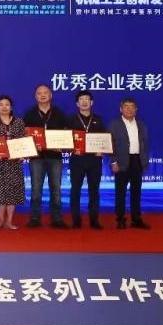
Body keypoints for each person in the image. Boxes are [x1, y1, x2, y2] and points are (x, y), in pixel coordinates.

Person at [22, 84, 70, 229]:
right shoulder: (29, 114)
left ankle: (57, 219)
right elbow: (25, 134)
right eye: (39, 93)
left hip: (55, 157)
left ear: (50, 95)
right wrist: (31, 145)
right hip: (36, 158)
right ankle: (35, 218)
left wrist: (62, 145)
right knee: (36, 189)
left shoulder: (59, 113)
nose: (42, 95)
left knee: (56, 189)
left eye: (45, 93)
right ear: (35, 96)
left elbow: (66, 134)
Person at [107, 98, 151, 230]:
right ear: (121, 109)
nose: (129, 109)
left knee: (136, 191)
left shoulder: (141, 125)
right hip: (121, 161)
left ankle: (136, 219)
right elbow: (110, 143)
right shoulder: (114, 124)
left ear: (136, 109)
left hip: (137, 160)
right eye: (126, 106)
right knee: (120, 192)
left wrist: (144, 160)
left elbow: (145, 144)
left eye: (132, 106)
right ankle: (120, 219)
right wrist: (113, 161)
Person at [0, 95, 26, 230]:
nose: (4, 107)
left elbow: (22, 140)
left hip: (14, 163)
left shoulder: (19, 122)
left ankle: (9, 221)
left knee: (12, 192)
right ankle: (1, 220)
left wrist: (22, 153)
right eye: (1, 104)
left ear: (11, 107)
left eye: (7, 104)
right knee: (0, 191)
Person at [66, 90, 105, 229]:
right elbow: (65, 140)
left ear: (91, 102)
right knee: (75, 190)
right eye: (81, 99)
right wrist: (70, 148)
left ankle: (94, 220)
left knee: (94, 190)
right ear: (77, 103)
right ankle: (76, 220)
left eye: (87, 99)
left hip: (95, 160)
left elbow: (104, 139)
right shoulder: (71, 120)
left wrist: (102, 149)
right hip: (77, 160)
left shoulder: (99, 119)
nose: (84, 102)